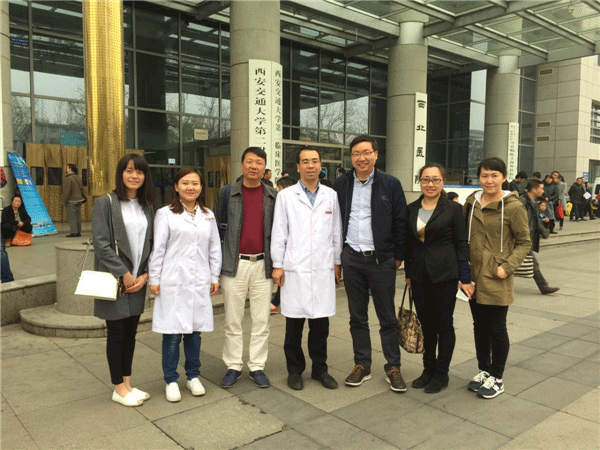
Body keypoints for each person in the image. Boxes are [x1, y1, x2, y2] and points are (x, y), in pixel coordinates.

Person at [334, 134, 408, 392]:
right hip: (352, 257)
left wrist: (397, 256)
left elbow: (401, 221)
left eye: (366, 152)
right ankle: (362, 364)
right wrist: (339, 256)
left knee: (387, 317)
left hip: (381, 259)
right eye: (356, 153)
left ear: (376, 154)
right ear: (351, 157)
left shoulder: (390, 184)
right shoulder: (342, 184)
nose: (361, 158)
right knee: (357, 316)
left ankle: (393, 367)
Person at [271, 147, 342, 391]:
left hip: (323, 267)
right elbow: (279, 232)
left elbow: (336, 231)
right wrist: (278, 265)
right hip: (295, 268)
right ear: (298, 167)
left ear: (320, 166)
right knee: (294, 326)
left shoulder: (331, 195)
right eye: (305, 161)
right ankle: (294, 370)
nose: (310, 166)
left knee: (320, 326)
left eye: (314, 161)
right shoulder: (286, 196)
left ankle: (320, 369)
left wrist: (337, 262)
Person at [149, 168, 222, 402]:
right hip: (173, 280)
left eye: (195, 183)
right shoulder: (165, 214)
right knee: (172, 334)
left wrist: (214, 276)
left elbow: (214, 248)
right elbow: (158, 248)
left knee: (194, 333)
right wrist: (154, 278)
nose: (190, 187)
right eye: (185, 183)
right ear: (176, 187)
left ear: (201, 187)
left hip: (199, 280)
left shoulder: (208, 215)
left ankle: (193, 376)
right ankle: (171, 379)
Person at [464, 157, 531, 399]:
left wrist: (507, 267)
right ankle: (484, 370)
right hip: (473, 275)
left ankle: (497, 377)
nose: (489, 180)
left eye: (494, 175)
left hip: (497, 275)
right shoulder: (471, 202)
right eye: (484, 175)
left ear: (504, 177)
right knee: (479, 326)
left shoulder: (513, 207)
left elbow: (524, 242)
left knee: (497, 327)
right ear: (478, 177)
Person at [92, 154, 154, 407]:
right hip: (117, 280)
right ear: (120, 174)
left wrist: (145, 275)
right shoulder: (106, 203)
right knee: (116, 333)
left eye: (139, 172)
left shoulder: (147, 206)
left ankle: (127, 384)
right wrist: (124, 274)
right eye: (129, 171)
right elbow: (101, 244)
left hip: (138, 280)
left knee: (131, 333)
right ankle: (118, 387)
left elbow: (151, 244)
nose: (134, 176)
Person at [405, 163, 473, 394]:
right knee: (426, 325)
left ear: (443, 181)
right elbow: (410, 245)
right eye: (425, 179)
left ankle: (441, 373)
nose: (430, 184)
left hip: (445, 275)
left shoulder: (453, 209)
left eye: (435, 179)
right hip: (419, 276)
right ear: (420, 182)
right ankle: (428, 369)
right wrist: (408, 274)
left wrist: (465, 277)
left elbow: (461, 244)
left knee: (444, 325)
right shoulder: (412, 208)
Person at [215, 147, 277, 389]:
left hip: (263, 265)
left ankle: (257, 366)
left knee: (262, 320)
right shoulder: (227, 193)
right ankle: (233, 365)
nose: (254, 166)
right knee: (233, 320)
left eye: (259, 162)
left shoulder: (272, 195)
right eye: (250, 162)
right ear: (242, 165)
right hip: (234, 264)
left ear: (264, 167)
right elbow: (217, 230)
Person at [520, 179, 559, 295]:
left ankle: (544, 287)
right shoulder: (523, 202)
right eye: (541, 188)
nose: (543, 190)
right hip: (521, 238)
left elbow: (535, 220)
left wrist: (544, 232)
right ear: (533, 190)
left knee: (530, 263)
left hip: (525, 237)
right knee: (533, 264)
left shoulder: (532, 202)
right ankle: (544, 287)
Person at [270, 176, 297, 315]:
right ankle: (276, 303)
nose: (277, 191)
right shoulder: (281, 200)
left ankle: (275, 303)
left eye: (279, 188)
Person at [62, 163, 85, 237]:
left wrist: (64, 201)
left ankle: (74, 232)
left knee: (72, 217)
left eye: (67, 168)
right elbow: (82, 188)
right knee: (78, 217)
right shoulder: (77, 177)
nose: (66, 169)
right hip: (79, 199)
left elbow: (67, 191)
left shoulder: (69, 178)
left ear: (70, 169)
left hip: (71, 200)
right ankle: (78, 231)